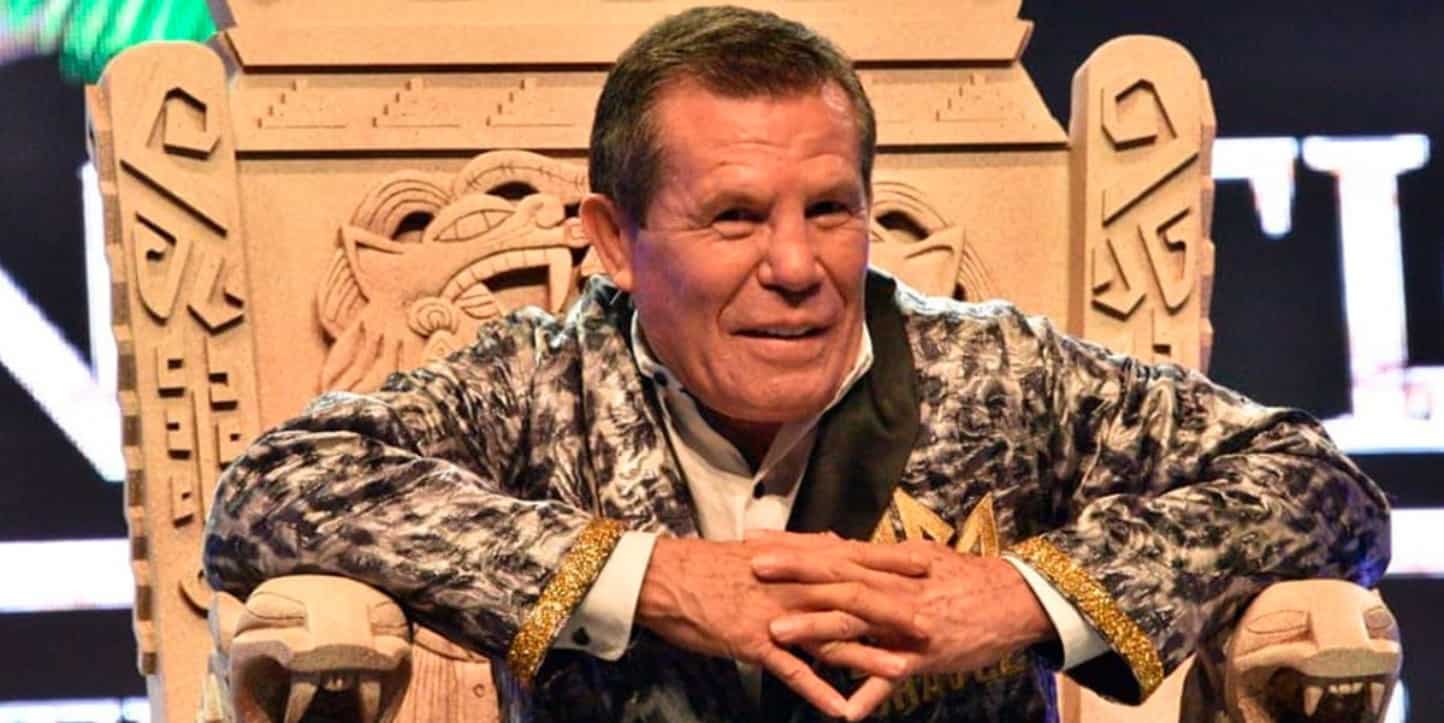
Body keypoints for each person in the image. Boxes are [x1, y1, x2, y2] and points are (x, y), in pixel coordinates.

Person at [203, 6, 1390, 722]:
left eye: (830, 209)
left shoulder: (1000, 374)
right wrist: (649, 580)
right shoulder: (535, 386)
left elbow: (1318, 487)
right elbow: (273, 490)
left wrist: (1022, 598)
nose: (796, 266)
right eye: (733, 218)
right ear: (613, 240)